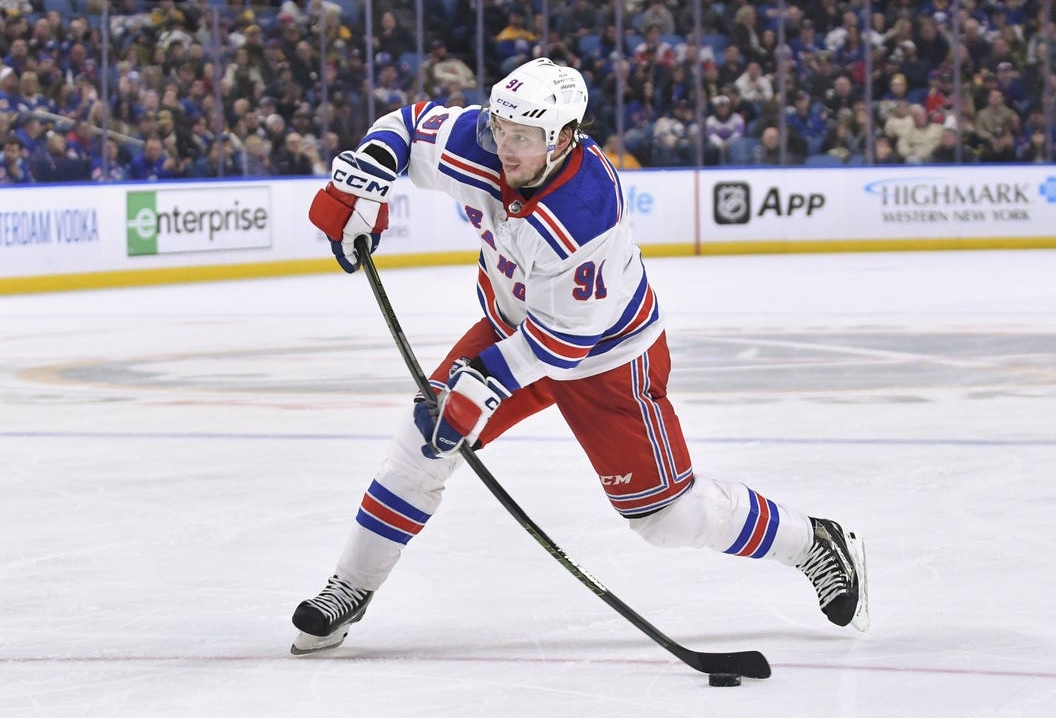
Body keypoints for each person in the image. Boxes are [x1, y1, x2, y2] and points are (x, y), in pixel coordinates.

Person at [292, 58, 869, 655]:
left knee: (665, 519)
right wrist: (370, 174)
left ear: (564, 137)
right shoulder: (486, 142)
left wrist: (480, 383)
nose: (506, 148)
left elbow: (564, 344)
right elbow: (409, 124)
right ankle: (350, 588)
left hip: (608, 358)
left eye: (524, 138)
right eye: (501, 129)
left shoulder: (584, 209)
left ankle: (814, 543)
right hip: (510, 326)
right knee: (422, 443)